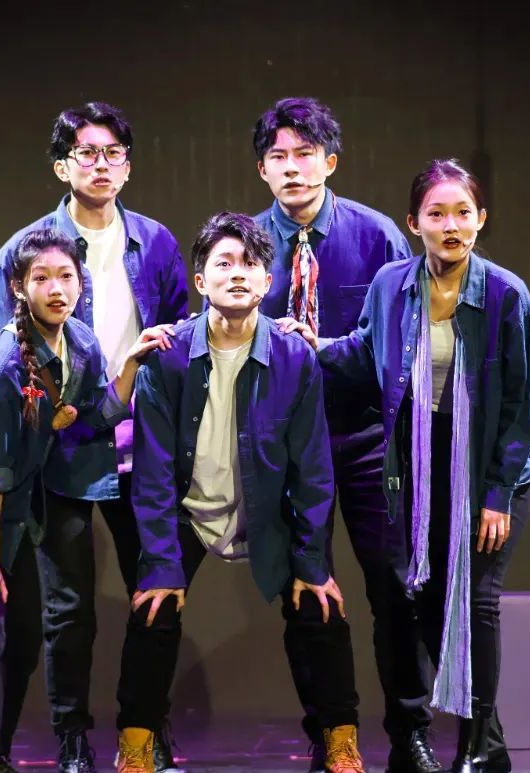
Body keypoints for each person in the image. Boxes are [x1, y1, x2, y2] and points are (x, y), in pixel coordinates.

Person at [286, 159, 530, 773]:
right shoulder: (391, 284)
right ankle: (450, 740)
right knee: (416, 598)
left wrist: (498, 495)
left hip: (488, 468)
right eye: (436, 214)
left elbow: (517, 408)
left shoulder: (506, 295)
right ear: (413, 223)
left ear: (481, 219)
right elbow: (366, 352)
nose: (451, 225)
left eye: (462, 213)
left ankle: (478, 741)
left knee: (475, 600)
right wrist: (314, 347)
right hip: (417, 464)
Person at [113, 212, 366, 773]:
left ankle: (338, 740)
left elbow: (313, 469)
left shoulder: (294, 355)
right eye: (222, 263)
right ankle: (136, 744)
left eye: (249, 264)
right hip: (189, 507)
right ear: (199, 280)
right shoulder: (167, 355)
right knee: (152, 608)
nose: (236, 273)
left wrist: (311, 560)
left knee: (320, 605)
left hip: (266, 510)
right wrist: (161, 563)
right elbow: (152, 473)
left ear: (268, 281)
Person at [0, 229, 172, 773]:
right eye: (42, 278)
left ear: (80, 283)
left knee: (27, 631)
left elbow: (95, 416)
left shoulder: (80, 341)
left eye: (66, 277)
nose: (56, 289)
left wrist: (130, 366)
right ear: (18, 286)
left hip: (11, 509)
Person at [0, 103, 189, 772]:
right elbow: (5, 356)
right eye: (86, 153)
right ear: (61, 166)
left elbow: (179, 339)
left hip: (144, 447)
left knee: (155, 594)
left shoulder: (155, 242)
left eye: (113, 153)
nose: (101, 165)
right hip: (65, 449)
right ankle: (72, 737)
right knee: (69, 608)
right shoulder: (25, 249)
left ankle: (145, 731)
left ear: (128, 166)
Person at [251, 97, 430, 770]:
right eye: (278, 157)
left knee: (396, 588)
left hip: (367, 438)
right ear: (262, 170)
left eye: (305, 154)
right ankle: (334, 735)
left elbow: (399, 344)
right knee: (307, 593)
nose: (292, 168)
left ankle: (410, 732)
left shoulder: (377, 236)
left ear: (330, 161)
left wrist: (320, 349)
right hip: (288, 447)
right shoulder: (247, 243)